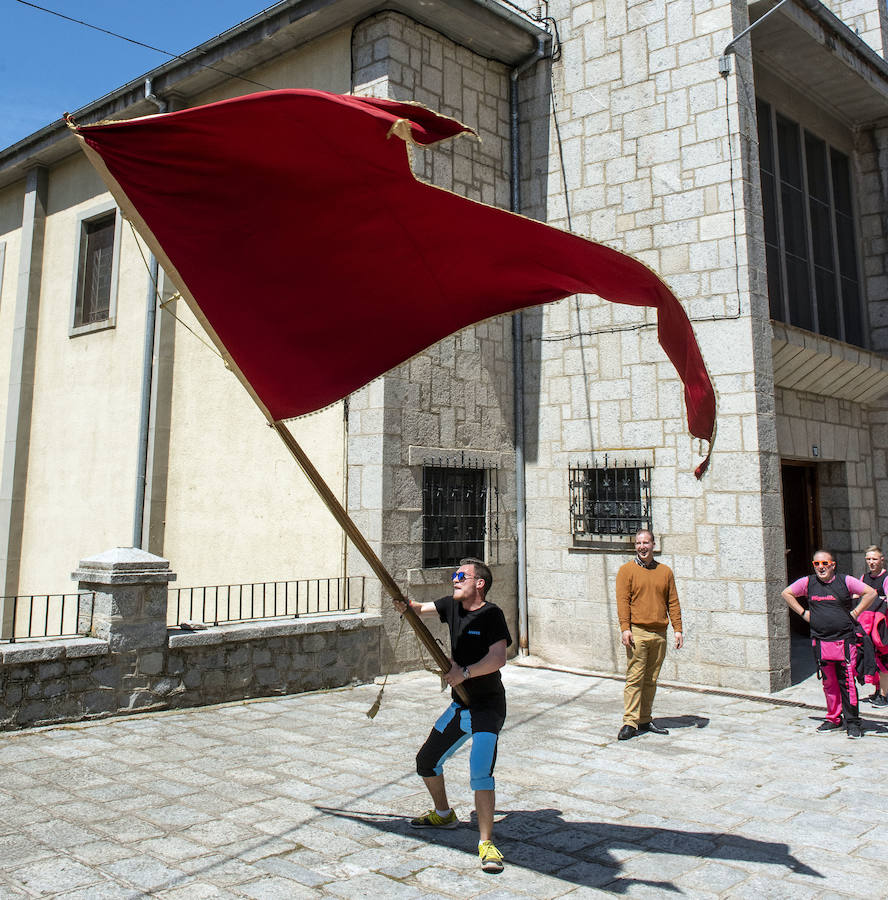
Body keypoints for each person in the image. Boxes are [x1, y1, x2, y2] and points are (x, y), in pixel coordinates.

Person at [393, 557, 512, 873]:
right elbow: (418, 608)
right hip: (461, 705)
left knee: (480, 773)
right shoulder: (451, 606)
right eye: (455, 574)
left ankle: (486, 842)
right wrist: (405, 604)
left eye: (462, 575)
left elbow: (498, 658)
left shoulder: (492, 615)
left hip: (487, 706)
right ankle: (444, 814)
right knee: (426, 761)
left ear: (479, 583)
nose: (455, 578)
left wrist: (466, 673)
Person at [781, 550, 876, 739]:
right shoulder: (808, 583)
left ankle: (853, 722)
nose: (820, 567)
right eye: (816, 564)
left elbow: (870, 593)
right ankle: (834, 719)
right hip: (821, 641)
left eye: (824, 563)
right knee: (828, 683)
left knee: (847, 682)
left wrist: (856, 613)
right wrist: (803, 613)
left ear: (832, 565)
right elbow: (787, 593)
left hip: (844, 641)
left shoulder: (845, 581)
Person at [616, 529, 683, 741]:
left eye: (646, 543)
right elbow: (622, 601)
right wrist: (625, 628)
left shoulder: (665, 572)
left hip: (659, 633)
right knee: (635, 678)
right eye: (638, 543)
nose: (642, 547)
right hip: (638, 632)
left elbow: (673, 601)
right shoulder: (626, 571)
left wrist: (678, 629)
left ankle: (644, 718)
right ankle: (630, 721)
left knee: (651, 679)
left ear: (654, 544)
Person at [859, 545, 888, 707]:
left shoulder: (886, 578)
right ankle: (879, 690)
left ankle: (885, 696)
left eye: (874, 559)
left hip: (882, 625)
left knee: (884, 659)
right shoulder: (863, 578)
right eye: (868, 559)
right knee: (874, 658)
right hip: (868, 626)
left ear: (881, 560)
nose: (871, 562)